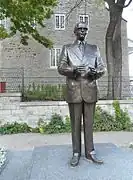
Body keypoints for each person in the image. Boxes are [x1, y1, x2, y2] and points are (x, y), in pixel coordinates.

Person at [58, 22, 106, 167]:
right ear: (75, 31)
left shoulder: (94, 49)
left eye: (85, 29)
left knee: (89, 124)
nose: (83, 31)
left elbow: (102, 68)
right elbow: (61, 67)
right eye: (80, 29)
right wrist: (73, 70)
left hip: (90, 88)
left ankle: (90, 152)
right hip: (74, 90)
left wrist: (95, 72)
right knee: (75, 124)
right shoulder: (67, 48)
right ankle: (76, 153)